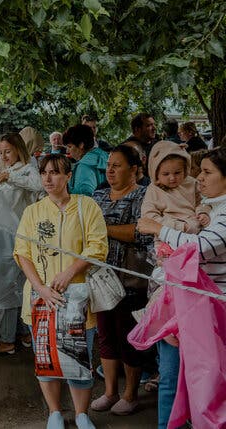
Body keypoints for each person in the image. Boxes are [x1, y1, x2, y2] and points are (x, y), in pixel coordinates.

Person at [14, 154, 108, 429]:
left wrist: (68, 273)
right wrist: (41, 288)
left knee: (80, 358)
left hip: (77, 299)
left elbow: (97, 247)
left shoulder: (86, 206)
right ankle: (54, 412)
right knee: (46, 359)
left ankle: (81, 414)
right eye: (44, 172)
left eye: (55, 172)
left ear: (68, 176)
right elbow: (22, 253)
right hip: (41, 299)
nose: (48, 178)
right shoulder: (33, 211)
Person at [137, 147, 226, 429]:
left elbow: (200, 249)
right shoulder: (212, 207)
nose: (198, 178)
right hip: (183, 305)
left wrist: (158, 229)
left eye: (207, 172)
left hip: (208, 313)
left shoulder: (218, 213)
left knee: (205, 382)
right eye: (200, 171)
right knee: (172, 377)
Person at [90, 146, 152, 416]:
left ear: (134, 169)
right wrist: (115, 231)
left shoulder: (144, 195)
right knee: (106, 336)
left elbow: (141, 232)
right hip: (100, 277)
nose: (110, 170)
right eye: (109, 165)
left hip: (131, 279)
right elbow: (87, 230)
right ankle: (110, 392)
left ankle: (130, 394)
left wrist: (104, 229)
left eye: (117, 165)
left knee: (129, 337)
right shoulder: (99, 195)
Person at [64, 124, 109, 196]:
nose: (67, 151)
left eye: (70, 147)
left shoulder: (84, 166)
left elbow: (83, 197)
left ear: (81, 145)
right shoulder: (105, 157)